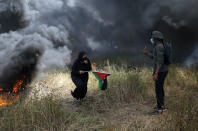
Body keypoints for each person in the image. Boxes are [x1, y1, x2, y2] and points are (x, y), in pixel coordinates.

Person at [143, 31, 169, 114]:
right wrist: (147, 54)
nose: (152, 39)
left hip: (161, 71)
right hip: (162, 70)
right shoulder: (159, 46)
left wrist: (156, 73)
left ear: (156, 38)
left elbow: (160, 62)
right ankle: (160, 105)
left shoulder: (159, 47)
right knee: (159, 88)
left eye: (153, 38)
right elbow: (156, 58)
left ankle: (160, 109)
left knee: (158, 89)